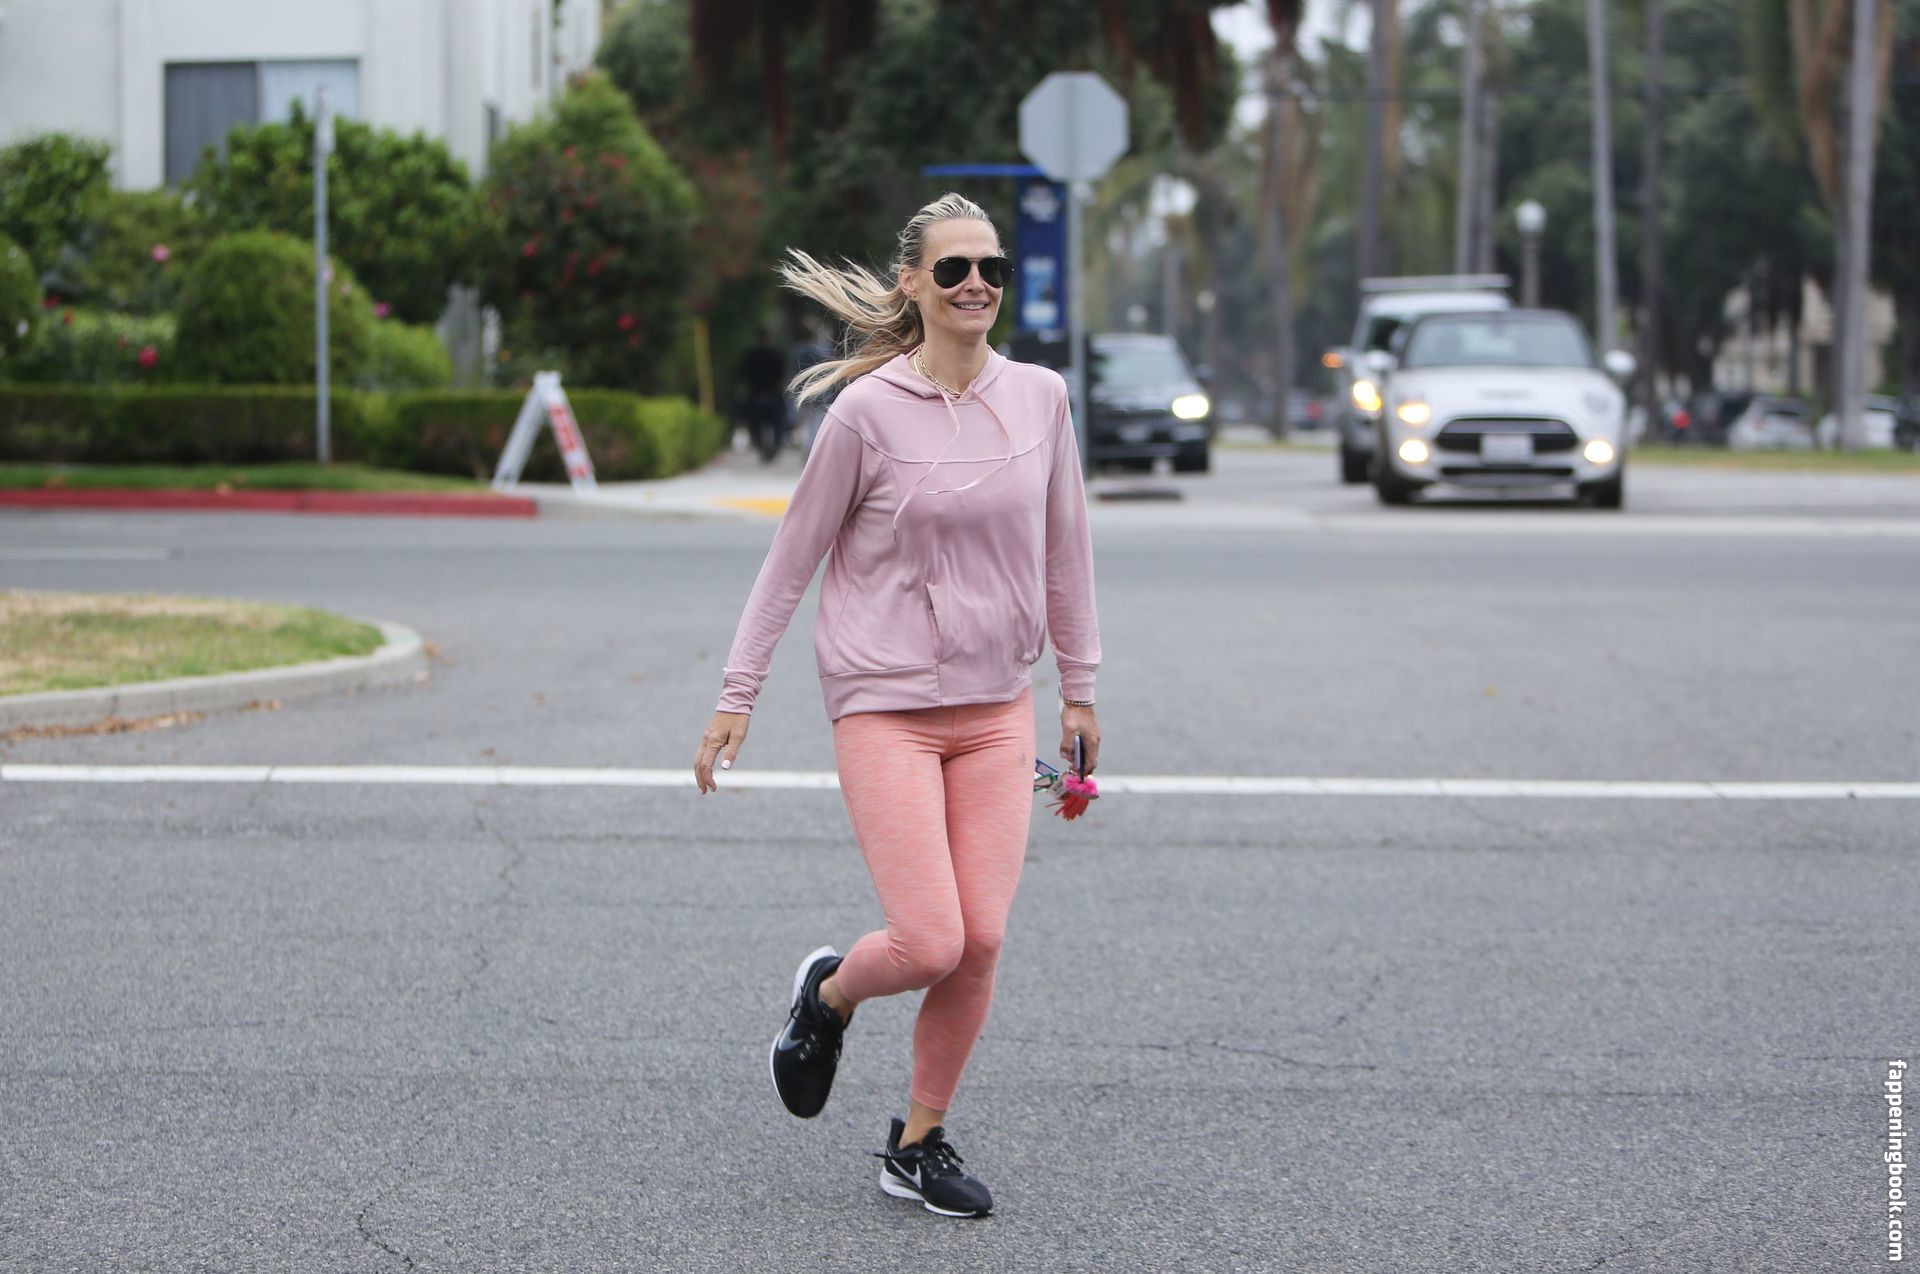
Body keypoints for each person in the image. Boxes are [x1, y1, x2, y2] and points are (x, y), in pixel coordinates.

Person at [693, 192, 1102, 1219]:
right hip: (884, 705)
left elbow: (1067, 550)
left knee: (982, 937)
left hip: (997, 707)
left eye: (991, 268)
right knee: (929, 939)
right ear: (913, 283)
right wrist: (738, 693)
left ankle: (915, 1142)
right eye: (954, 268)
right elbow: (791, 560)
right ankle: (830, 993)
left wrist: (1080, 687)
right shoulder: (867, 414)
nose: (976, 285)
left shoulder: (1041, 398)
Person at [786, 317, 835, 459]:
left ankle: (806, 450)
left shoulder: (795, 351)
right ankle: (812, 451)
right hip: (817, 392)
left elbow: (791, 372)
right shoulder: (818, 351)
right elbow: (826, 370)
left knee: (805, 422)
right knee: (815, 423)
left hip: (801, 392)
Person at [738, 327, 789, 462]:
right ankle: (777, 444)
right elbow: (782, 372)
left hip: (756, 392)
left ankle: (759, 445)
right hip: (773, 391)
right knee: (778, 419)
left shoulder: (751, 354)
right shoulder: (776, 353)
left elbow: (745, 373)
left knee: (755, 420)